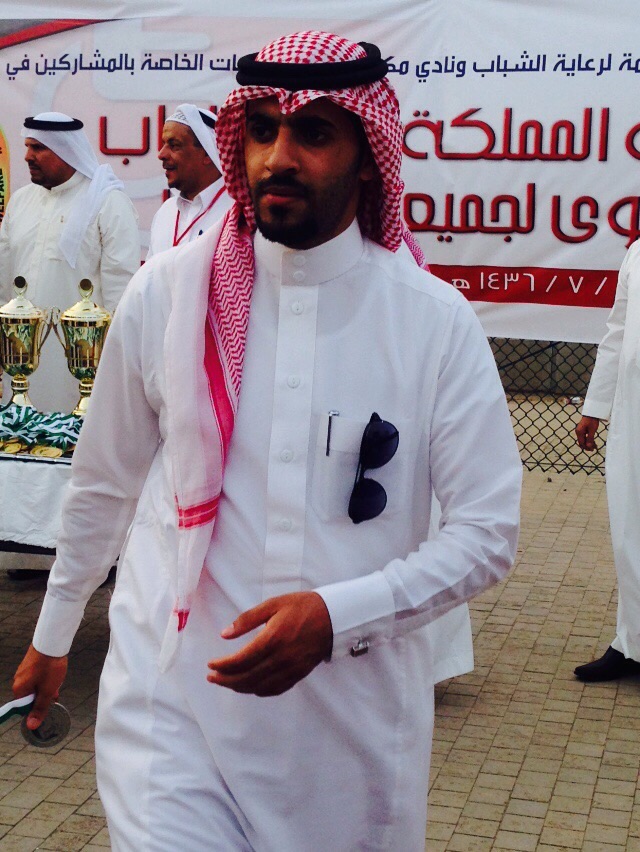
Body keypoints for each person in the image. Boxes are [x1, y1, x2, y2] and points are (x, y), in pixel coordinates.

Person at [13, 32, 522, 851]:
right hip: (170, 711)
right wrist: (53, 632)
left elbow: (487, 534)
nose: (278, 157)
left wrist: (339, 615)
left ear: (368, 156)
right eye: (260, 131)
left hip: (348, 736)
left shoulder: (432, 321)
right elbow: (104, 482)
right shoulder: (167, 294)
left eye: (313, 133)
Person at [0, 112, 139, 413]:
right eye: (27, 147)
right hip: (20, 362)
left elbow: (122, 292)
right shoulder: (20, 202)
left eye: (38, 148)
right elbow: (3, 284)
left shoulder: (107, 202)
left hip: (83, 366)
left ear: (66, 150)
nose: (28, 156)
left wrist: (119, 369)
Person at [574, 241, 640, 682]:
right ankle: (630, 642)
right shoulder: (636, 253)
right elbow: (617, 332)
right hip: (632, 414)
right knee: (629, 531)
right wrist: (594, 407)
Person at [146, 104, 233, 258]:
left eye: (174, 146)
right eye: (164, 144)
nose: (161, 154)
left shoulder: (237, 213)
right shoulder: (166, 212)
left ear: (207, 154)